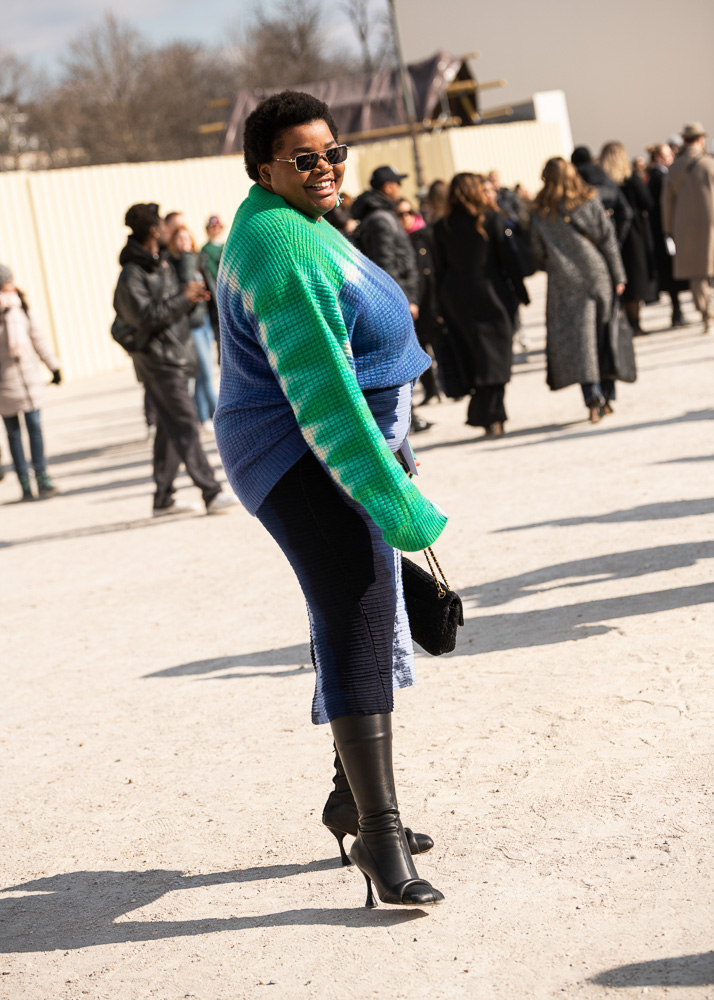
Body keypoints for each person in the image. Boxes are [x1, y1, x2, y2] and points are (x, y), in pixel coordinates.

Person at [214, 89, 446, 908]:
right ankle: (379, 842)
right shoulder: (278, 245)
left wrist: (396, 451)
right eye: (304, 158)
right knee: (356, 610)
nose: (325, 169)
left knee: (361, 611)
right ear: (264, 167)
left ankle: (352, 802)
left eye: (333, 152)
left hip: (324, 449)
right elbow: (325, 399)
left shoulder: (292, 221)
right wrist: (395, 500)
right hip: (298, 455)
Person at [112, 203, 238, 517]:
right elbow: (144, 316)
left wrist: (189, 295)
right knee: (184, 424)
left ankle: (163, 499)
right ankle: (212, 491)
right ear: (155, 230)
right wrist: (183, 297)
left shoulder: (159, 264)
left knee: (170, 431)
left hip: (174, 356)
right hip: (159, 361)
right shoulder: (132, 273)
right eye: (164, 225)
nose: (170, 229)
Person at [530, 158, 627, 423]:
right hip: (597, 273)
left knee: (580, 341)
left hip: (564, 281)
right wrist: (618, 275)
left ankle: (592, 395)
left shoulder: (540, 212)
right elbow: (608, 239)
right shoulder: (589, 200)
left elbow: (537, 253)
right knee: (604, 334)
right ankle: (609, 394)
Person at [432, 173, 529, 437]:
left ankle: (488, 415)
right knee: (498, 358)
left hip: (456, 298)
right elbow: (509, 260)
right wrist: (521, 292)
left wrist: (439, 305)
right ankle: (492, 414)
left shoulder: (442, 226)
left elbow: (438, 268)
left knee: (474, 354)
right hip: (493, 295)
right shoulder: (490, 219)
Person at [351, 166, 429, 432]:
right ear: (388, 188)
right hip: (394, 302)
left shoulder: (378, 216)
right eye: (397, 183)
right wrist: (404, 300)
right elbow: (386, 267)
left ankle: (407, 416)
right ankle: (403, 417)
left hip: (394, 299)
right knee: (397, 361)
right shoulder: (381, 219)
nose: (399, 188)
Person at [0, 264, 61, 501]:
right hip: (5, 384)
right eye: (8, 281)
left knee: (35, 429)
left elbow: (37, 339)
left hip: (29, 379)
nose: (13, 285)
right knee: (13, 435)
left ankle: (42, 477)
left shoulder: (21, 307)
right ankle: (24, 482)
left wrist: (53, 365)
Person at [662, 121, 714, 331]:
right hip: (710, 222)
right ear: (701, 139)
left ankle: (705, 311)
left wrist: (668, 229)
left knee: (697, 274)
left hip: (685, 226)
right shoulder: (708, 163)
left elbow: (666, 202)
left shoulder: (674, 168)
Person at [599, 141, 656, 334]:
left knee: (621, 279)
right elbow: (647, 202)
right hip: (635, 234)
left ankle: (627, 323)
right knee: (636, 280)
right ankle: (635, 322)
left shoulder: (602, 181)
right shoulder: (631, 178)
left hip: (612, 235)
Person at [168, 225, 218, 430]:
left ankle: (203, 416)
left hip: (205, 319)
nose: (184, 243)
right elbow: (186, 285)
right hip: (192, 324)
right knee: (205, 372)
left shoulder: (198, 260)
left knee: (203, 372)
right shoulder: (178, 263)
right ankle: (218, 412)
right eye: (179, 239)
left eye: (187, 239)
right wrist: (188, 258)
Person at [647, 143, 687, 328]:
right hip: (664, 232)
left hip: (665, 230)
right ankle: (676, 312)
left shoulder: (661, 175)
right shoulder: (658, 177)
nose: (671, 157)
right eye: (667, 154)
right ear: (658, 158)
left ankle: (677, 312)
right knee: (670, 274)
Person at [200, 216, 225, 351]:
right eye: (212, 227)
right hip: (215, 295)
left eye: (217, 226)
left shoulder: (226, 246)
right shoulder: (205, 250)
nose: (215, 230)